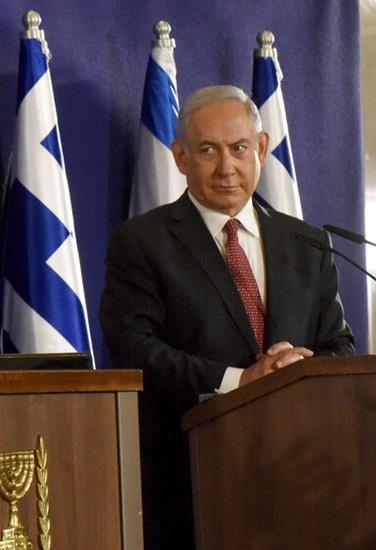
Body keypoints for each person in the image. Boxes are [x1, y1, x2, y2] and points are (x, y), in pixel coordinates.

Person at [100, 85, 354, 549]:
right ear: (180, 157)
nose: (226, 167)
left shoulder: (308, 243)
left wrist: (299, 369)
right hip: (192, 479)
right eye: (207, 151)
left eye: (238, 148)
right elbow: (134, 349)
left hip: (305, 479)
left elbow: (339, 347)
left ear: (262, 148)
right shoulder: (141, 242)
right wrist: (240, 380)